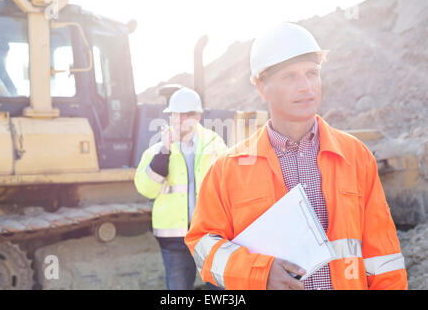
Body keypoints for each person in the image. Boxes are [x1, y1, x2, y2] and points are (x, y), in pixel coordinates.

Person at [184, 22, 407, 290]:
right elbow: (203, 247)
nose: (306, 87)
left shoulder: (355, 156)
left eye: (312, 73)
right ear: (261, 86)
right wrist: (259, 273)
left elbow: (384, 258)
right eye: (290, 76)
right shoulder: (228, 169)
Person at [134, 87, 227, 290]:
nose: (178, 120)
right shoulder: (156, 150)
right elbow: (146, 189)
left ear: (197, 117)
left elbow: (230, 186)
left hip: (210, 235)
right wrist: (164, 152)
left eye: (186, 115)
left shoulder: (215, 145)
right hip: (173, 238)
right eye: (174, 114)